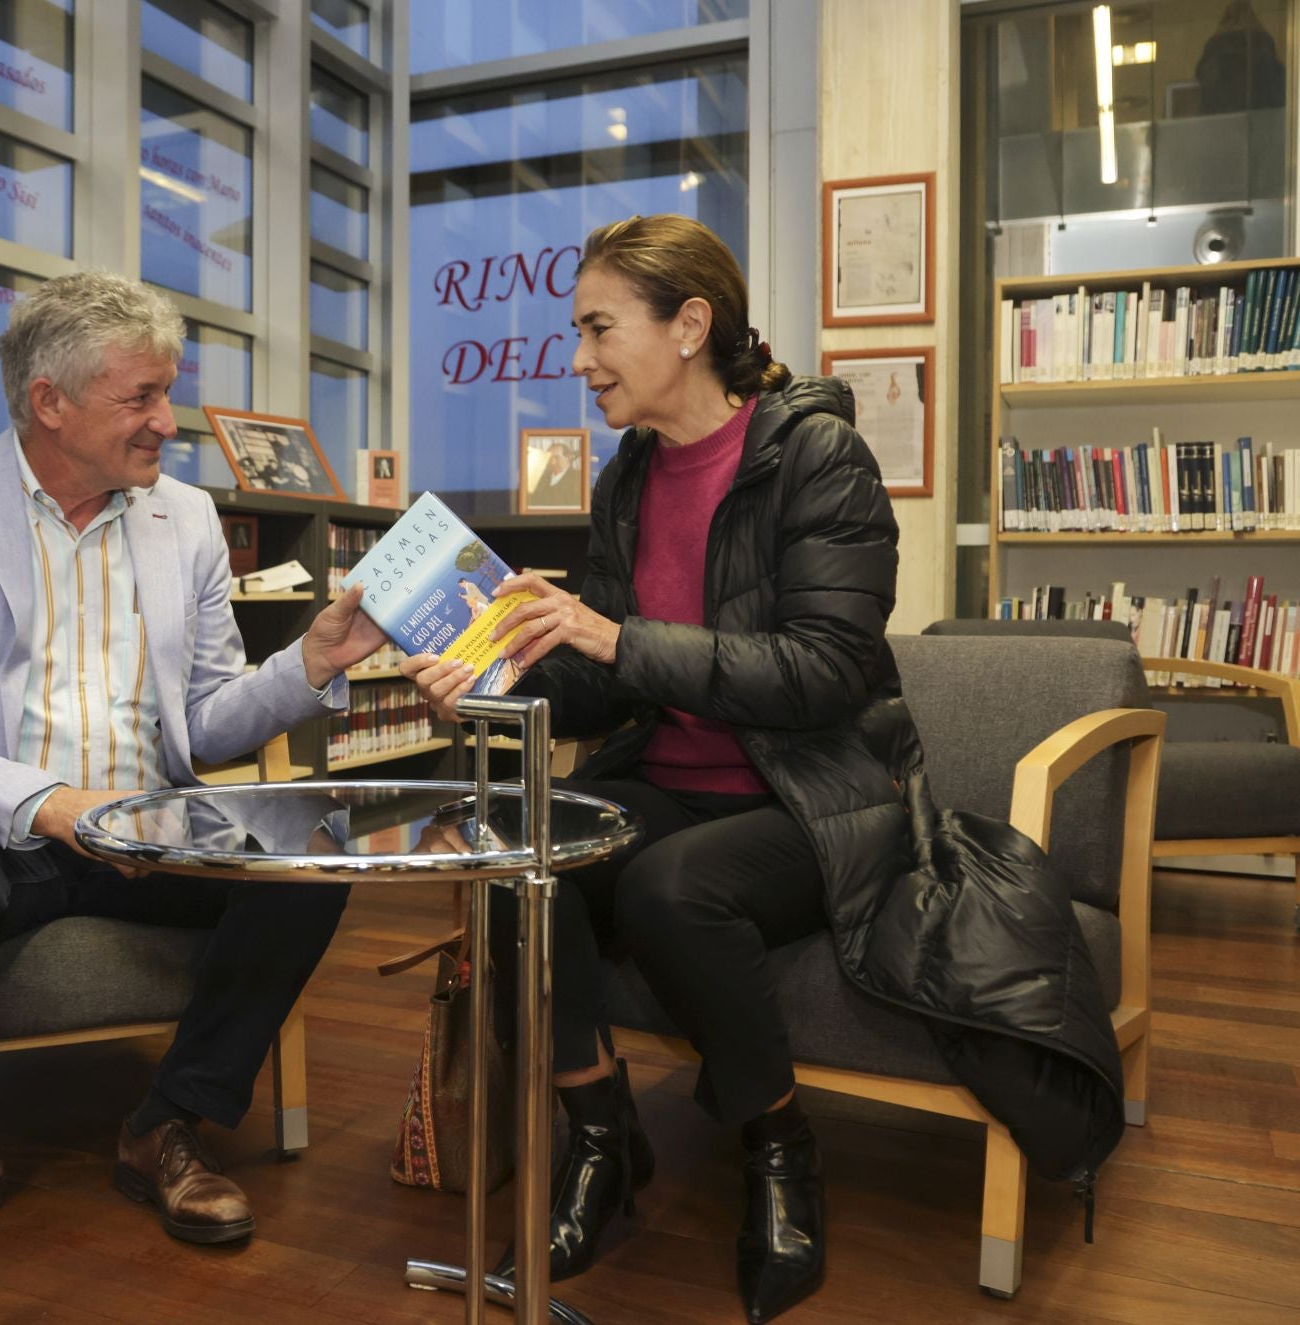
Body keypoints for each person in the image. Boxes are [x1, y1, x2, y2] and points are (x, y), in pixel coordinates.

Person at [402, 214, 1122, 1322]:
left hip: (819, 799)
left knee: (668, 884)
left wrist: (612, 635)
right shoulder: (628, 479)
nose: (580, 358)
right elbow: (607, 690)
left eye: (599, 328)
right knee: (513, 853)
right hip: (675, 779)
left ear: (690, 324)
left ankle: (782, 1155)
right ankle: (602, 1136)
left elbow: (829, 669)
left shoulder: (817, 454)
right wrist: (496, 678)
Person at [0, 270, 386, 1279]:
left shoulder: (184, 520)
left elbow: (212, 716)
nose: (166, 423)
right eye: (141, 398)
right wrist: (53, 805)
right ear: (51, 401)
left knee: (312, 844)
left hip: (152, 823)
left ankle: (169, 1123)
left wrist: (311, 663)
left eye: (163, 395)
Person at [529, 439, 584, 509]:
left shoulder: (579, 477)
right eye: (549, 457)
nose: (552, 462)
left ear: (568, 457)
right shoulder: (540, 478)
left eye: (556, 457)